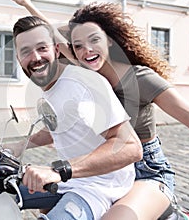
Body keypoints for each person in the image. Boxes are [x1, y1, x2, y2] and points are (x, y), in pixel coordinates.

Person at [11, 0, 189, 220]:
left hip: (146, 172)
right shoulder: (83, 72)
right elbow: (48, 37)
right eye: (78, 46)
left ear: (110, 41)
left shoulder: (140, 78)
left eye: (94, 40)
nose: (86, 51)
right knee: (46, 207)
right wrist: (28, 5)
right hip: (103, 171)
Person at [12, 15, 142, 220]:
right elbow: (58, 127)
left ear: (56, 50)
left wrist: (59, 171)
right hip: (70, 179)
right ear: (19, 59)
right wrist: (19, 146)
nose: (35, 57)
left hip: (99, 185)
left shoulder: (83, 84)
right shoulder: (49, 85)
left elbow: (130, 147)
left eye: (42, 48)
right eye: (26, 51)